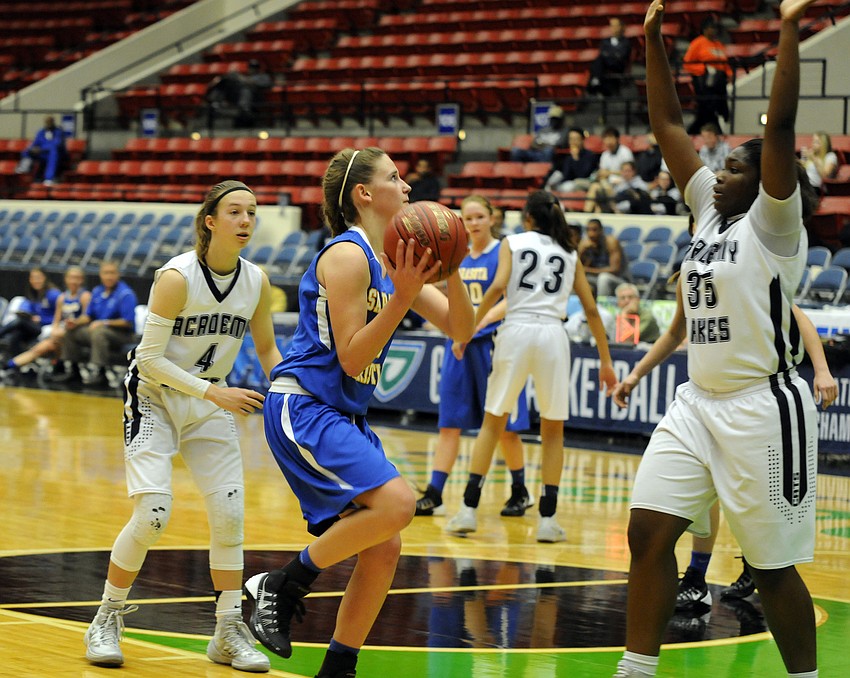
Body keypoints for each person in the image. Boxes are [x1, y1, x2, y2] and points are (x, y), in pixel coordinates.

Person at [612, 2, 822, 676]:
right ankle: (635, 670)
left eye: (735, 166)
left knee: (769, 568)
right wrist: (653, 41)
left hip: (764, 408)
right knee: (648, 532)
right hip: (697, 403)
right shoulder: (708, 208)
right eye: (722, 164)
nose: (719, 171)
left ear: (767, 184)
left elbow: (782, 125)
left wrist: (788, 28)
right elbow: (668, 121)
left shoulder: (774, 226)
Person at [242, 147, 474, 678]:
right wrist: (403, 297)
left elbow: (462, 330)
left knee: (384, 545)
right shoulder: (347, 256)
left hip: (341, 414)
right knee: (398, 504)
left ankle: (339, 667)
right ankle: (283, 582)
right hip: (304, 404)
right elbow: (351, 355)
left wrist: (452, 268)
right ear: (364, 194)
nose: (408, 187)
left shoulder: (394, 261)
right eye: (396, 177)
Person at [82, 180, 281, 672]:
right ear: (210, 221)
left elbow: (269, 351)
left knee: (231, 517)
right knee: (153, 514)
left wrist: (293, 391)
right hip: (153, 395)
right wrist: (216, 393)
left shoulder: (257, 281)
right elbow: (147, 360)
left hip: (212, 396)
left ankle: (228, 631)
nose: (246, 221)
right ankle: (106, 617)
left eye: (252, 212)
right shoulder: (176, 277)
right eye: (235, 211)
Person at [444, 191, 617, 543]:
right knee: (553, 430)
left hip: (517, 330)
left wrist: (467, 329)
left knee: (493, 421)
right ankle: (548, 520)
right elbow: (593, 310)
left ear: (526, 218)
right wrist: (606, 360)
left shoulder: (514, 242)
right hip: (553, 334)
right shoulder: (569, 253)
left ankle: (467, 510)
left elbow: (495, 289)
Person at [674, 305, 838, 612]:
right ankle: (697, 576)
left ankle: (755, 562)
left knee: (751, 495)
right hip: (708, 397)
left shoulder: (750, 271)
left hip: (755, 398)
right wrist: (636, 373)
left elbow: (800, 318)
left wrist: (822, 370)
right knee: (705, 486)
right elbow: (674, 332)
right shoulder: (696, 275)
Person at [415, 195, 531, 519]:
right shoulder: (458, 257)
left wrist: (473, 324)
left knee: (504, 426)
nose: (474, 223)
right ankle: (435, 492)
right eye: (468, 218)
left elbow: (511, 301)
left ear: (492, 218)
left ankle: (520, 490)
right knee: (449, 424)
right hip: (459, 345)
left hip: (493, 345)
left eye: (480, 216)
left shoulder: (504, 252)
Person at [52, 260, 138, 388]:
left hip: (122, 335)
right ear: (100, 275)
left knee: (99, 332)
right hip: (98, 330)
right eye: (105, 273)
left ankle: (101, 373)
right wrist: (75, 322)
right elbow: (88, 317)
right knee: (72, 331)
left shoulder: (125, 294)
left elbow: (127, 322)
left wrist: (104, 322)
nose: (109, 276)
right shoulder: (98, 291)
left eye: (112, 273)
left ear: (118, 274)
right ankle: (74, 371)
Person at [0, 266, 89, 382]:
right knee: (24, 338)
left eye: (77, 278)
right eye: (71, 278)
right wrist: (55, 329)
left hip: (74, 332)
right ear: (66, 279)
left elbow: (87, 317)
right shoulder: (62, 297)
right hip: (57, 332)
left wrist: (73, 323)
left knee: (27, 329)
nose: (73, 281)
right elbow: (56, 321)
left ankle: (8, 365)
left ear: (82, 279)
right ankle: (8, 367)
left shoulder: (83, 296)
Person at [683, 18, 733, 135]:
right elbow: (687, 63)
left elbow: (724, 63)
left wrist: (729, 74)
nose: (714, 31)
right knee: (707, 108)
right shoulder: (698, 43)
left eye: (715, 28)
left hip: (719, 82)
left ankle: (705, 129)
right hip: (704, 83)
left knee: (717, 107)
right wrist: (702, 70)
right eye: (712, 28)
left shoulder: (719, 45)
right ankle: (701, 131)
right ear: (705, 30)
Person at [0, 267, 60, 361]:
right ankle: (14, 368)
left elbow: (61, 315)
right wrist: (28, 315)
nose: (36, 281)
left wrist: (41, 319)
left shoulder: (53, 294)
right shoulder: (34, 294)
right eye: (33, 278)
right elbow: (32, 310)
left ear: (45, 278)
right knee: (16, 336)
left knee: (19, 322)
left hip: (46, 327)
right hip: (33, 326)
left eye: (38, 277)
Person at [578, 218, 628, 296]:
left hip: (619, 280)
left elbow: (615, 269)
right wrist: (581, 251)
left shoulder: (611, 242)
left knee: (603, 278)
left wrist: (588, 270)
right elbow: (578, 268)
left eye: (594, 230)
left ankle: (601, 306)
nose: (591, 234)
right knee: (576, 278)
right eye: (588, 230)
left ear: (601, 230)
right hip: (596, 278)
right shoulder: (586, 244)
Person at [544, 127, 598, 194]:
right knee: (552, 182)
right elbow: (565, 175)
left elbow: (582, 175)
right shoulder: (566, 155)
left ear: (582, 140)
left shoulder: (590, 155)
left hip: (582, 184)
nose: (573, 142)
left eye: (576, 139)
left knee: (570, 186)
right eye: (571, 139)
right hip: (564, 184)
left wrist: (575, 158)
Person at [587, 17, 633, 97]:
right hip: (606, 66)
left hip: (618, 65)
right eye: (611, 26)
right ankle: (598, 82)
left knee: (600, 59)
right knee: (599, 60)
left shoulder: (626, 42)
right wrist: (612, 54)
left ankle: (595, 80)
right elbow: (603, 52)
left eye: (616, 26)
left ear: (621, 27)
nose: (613, 28)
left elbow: (622, 55)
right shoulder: (605, 41)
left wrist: (608, 54)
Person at [16, 115, 67, 184]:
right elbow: (35, 142)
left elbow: (56, 144)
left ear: (53, 122)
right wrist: (33, 148)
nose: (48, 123)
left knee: (53, 151)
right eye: (46, 122)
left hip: (57, 155)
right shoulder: (41, 131)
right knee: (28, 150)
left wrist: (41, 149)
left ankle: (49, 178)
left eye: (50, 121)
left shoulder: (59, 132)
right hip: (43, 154)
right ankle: (24, 167)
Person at [801, 131, 839, 196]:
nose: (813, 144)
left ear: (824, 144)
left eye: (816, 142)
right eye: (813, 141)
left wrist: (813, 158)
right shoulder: (811, 155)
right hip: (804, 187)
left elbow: (825, 176)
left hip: (817, 189)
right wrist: (803, 159)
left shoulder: (830, 156)